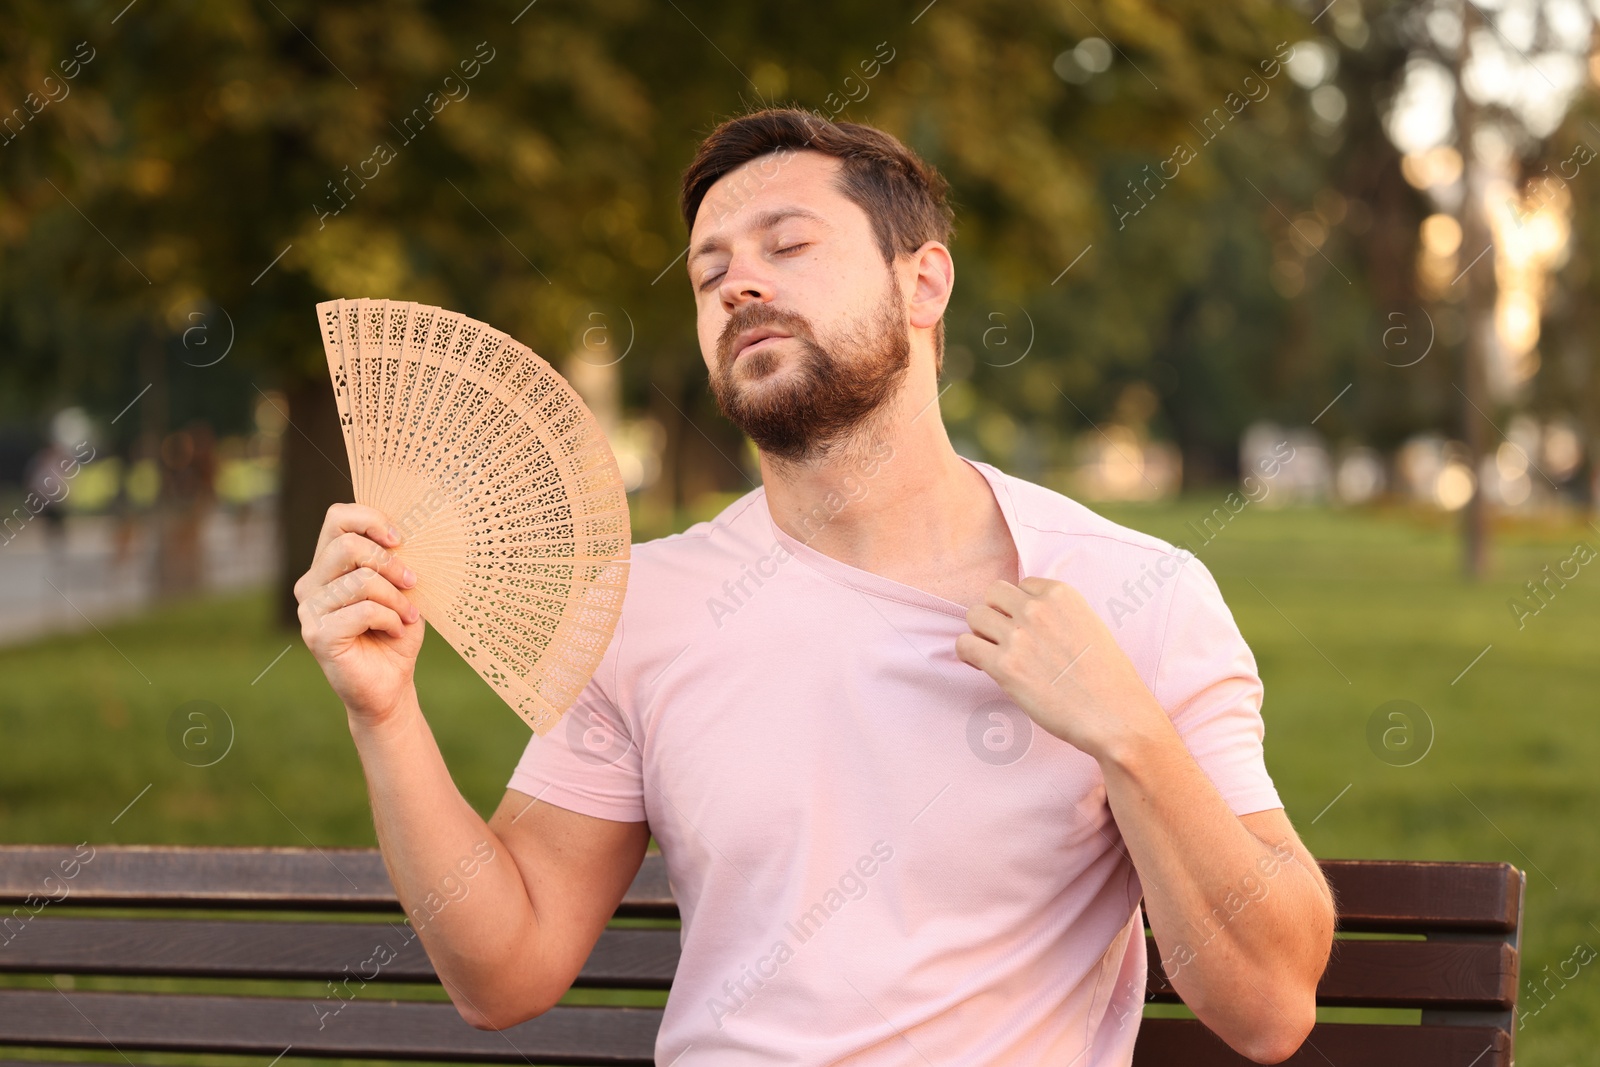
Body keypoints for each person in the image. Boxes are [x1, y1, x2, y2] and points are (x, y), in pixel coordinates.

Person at [295, 107, 1334, 1065]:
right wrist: (383, 711)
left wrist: (1130, 735)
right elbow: (503, 973)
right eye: (710, 275)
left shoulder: (1132, 591)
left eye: (788, 246)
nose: (740, 284)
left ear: (924, 282)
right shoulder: (643, 606)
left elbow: (1269, 1004)